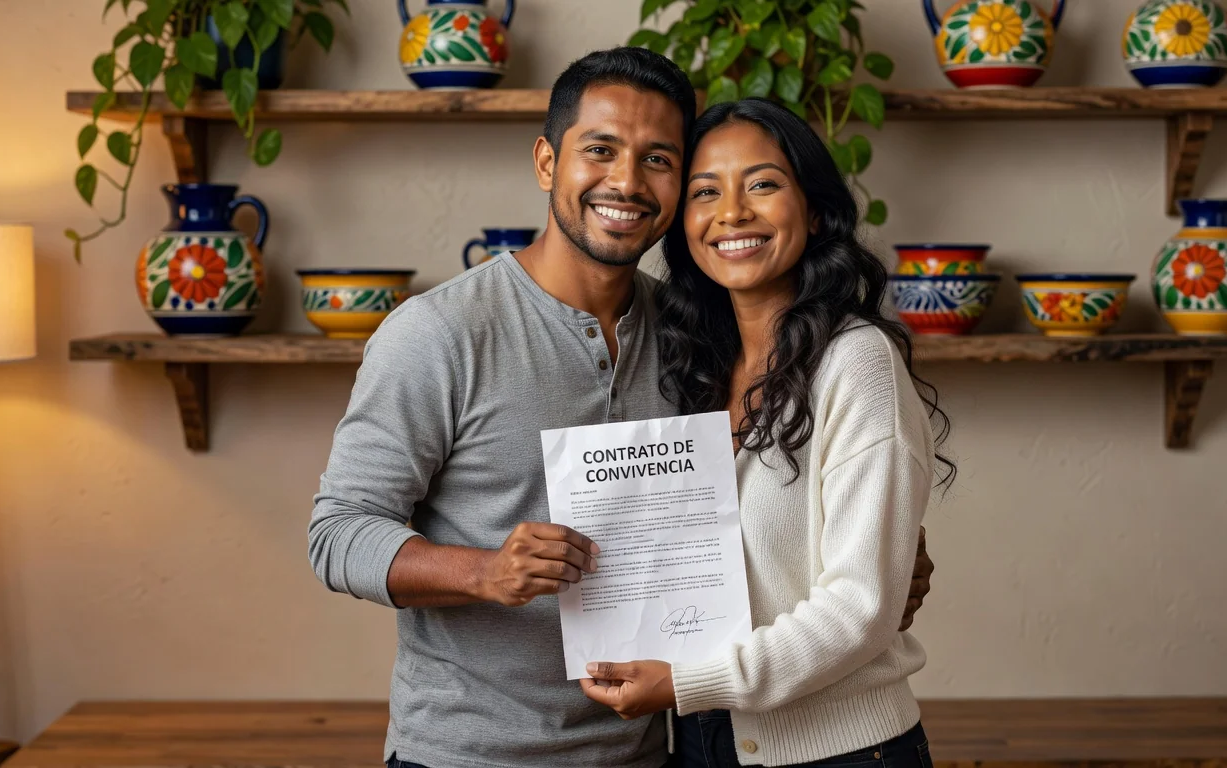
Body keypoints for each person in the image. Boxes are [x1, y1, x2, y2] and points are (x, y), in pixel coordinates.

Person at [308, 49, 935, 768]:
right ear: (547, 162)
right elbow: (337, 534)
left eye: (659, 160)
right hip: (469, 751)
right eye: (600, 150)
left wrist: (875, 574)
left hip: (650, 749)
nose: (627, 182)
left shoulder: (690, 338)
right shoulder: (438, 333)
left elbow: (738, 538)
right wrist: (483, 572)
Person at [578, 98, 953, 768]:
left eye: (762, 184)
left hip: (844, 753)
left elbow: (861, 608)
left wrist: (685, 682)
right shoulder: (692, 367)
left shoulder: (855, 362)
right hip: (700, 743)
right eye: (705, 192)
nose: (732, 214)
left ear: (812, 209)